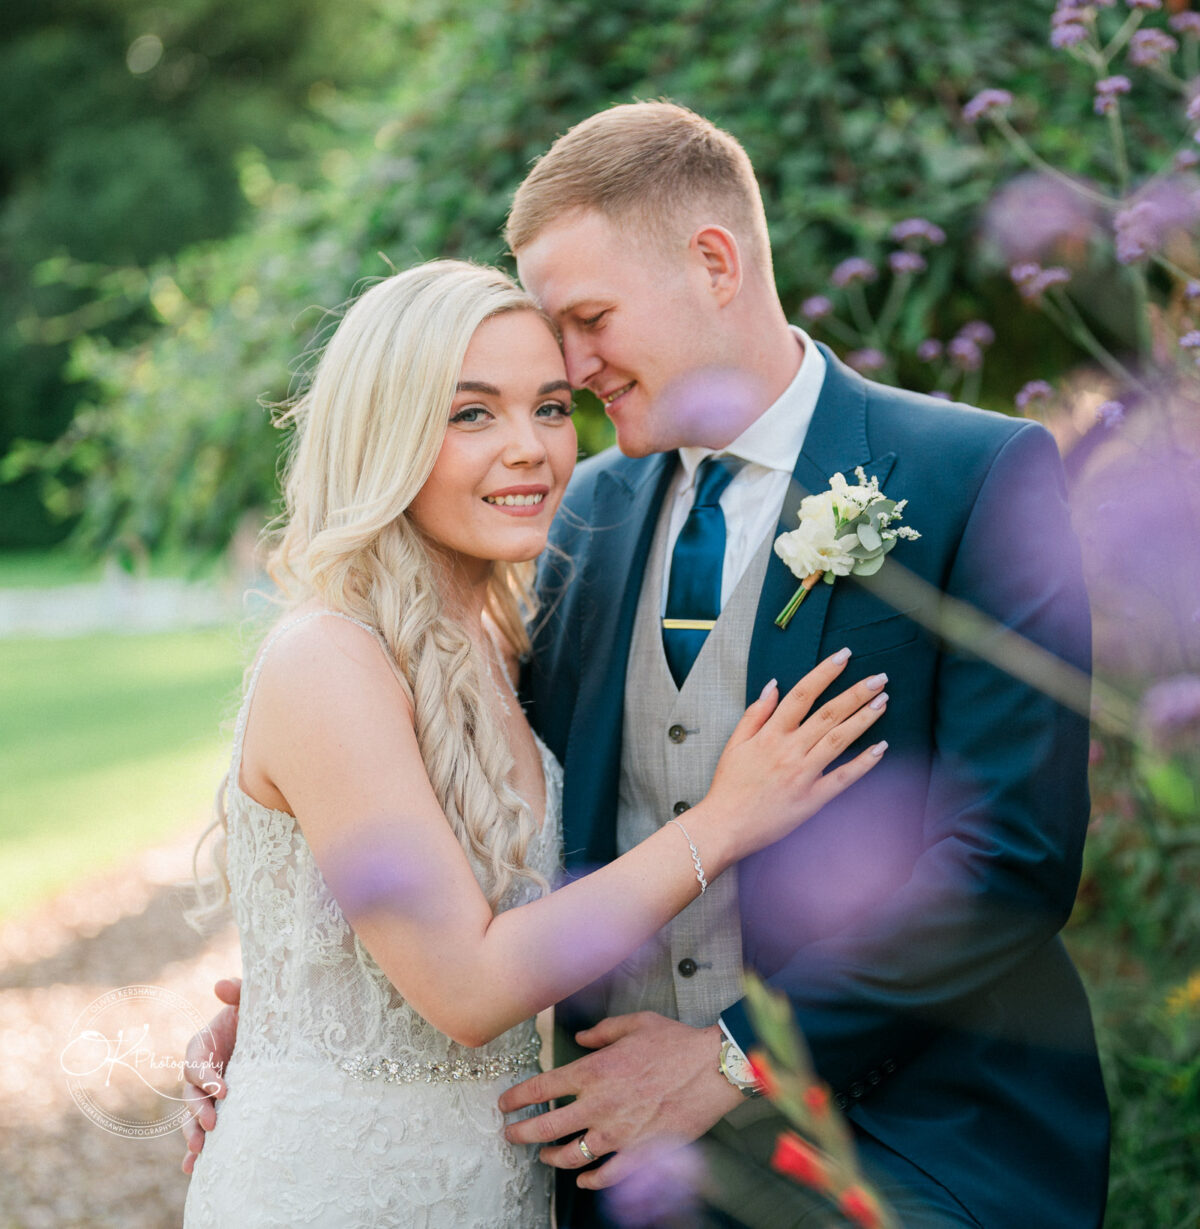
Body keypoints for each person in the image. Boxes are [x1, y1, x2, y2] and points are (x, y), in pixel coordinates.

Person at [491, 103, 1111, 1227]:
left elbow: (1008, 855)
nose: (572, 368)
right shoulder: (583, 512)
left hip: (904, 1144)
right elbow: (497, 801)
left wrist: (734, 1060)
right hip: (617, 1167)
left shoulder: (976, 474)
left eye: (589, 319)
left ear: (714, 263)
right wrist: (321, 998)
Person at [177, 258, 890, 1228]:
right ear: (384, 431)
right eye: (472, 413)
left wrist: (303, 983)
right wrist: (722, 821)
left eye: (550, 407)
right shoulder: (327, 658)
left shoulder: (495, 639)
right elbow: (468, 985)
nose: (531, 448)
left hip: (492, 1187)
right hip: (341, 1188)